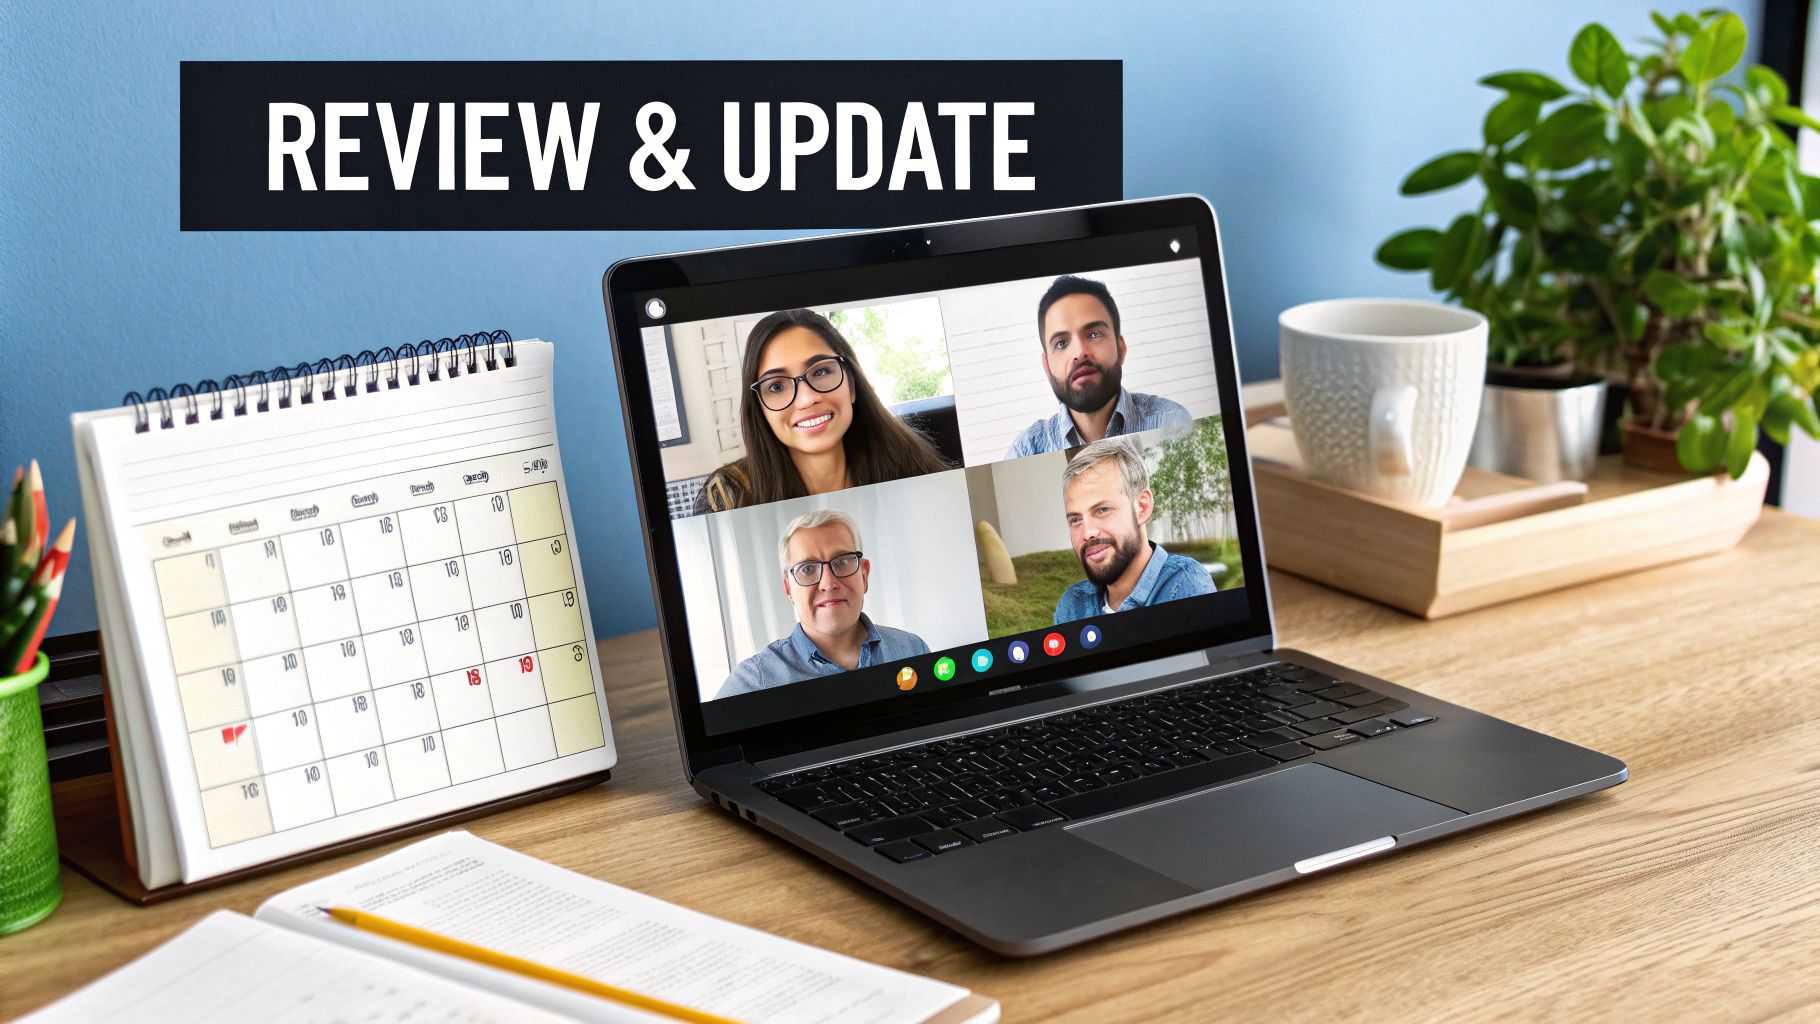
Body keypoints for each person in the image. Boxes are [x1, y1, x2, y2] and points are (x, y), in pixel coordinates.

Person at [694, 309, 951, 514]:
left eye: (821, 371)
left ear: (851, 384)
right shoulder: (728, 498)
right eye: (776, 386)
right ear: (760, 409)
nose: (807, 398)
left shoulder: (912, 467)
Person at [717, 509, 930, 697]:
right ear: (789, 589)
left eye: (842, 562)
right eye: (807, 569)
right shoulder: (755, 680)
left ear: (864, 575)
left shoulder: (912, 650)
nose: (828, 584)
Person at [1004, 275, 1191, 458]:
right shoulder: (1025, 450)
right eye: (1061, 343)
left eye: (1094, 334)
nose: (1079, 352)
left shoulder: (1172, 422)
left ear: (1121, 348)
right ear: (1047, 367)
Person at [1053, 438, 1214, 623]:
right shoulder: (1072, 605)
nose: (1087, 532)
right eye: (1075, 519)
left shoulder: (1186, 584)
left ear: (1142, 508)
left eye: (1102, 510)